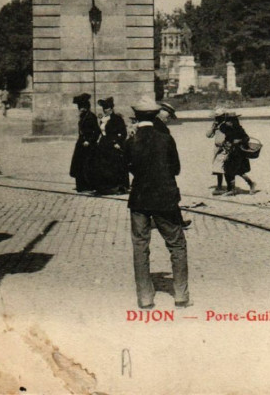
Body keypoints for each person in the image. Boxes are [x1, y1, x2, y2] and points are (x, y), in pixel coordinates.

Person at [125, 96, 191, 309]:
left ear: (136, 116)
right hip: (165, 198)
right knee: (177, 244)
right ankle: (181, 296)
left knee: (140, 246)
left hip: (139, 199)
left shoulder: (131, 141)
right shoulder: (165, 139)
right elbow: (176, 169)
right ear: (155, 115)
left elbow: (128, 167)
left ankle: (145, 298)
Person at [216, 109, 256, 196]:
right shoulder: (225, 127)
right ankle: (231, 189)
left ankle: (250, 184)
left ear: (234, 120)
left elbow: (246, 138)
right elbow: (222, 131)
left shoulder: (239, 129)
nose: (228, 122)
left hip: (238, 153)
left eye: (230, 120)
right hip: (230, 151)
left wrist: (239, 140)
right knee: (228, 170)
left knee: (238, 171)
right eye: (227, 120)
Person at [93, 97, 129, 195]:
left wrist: (118, 142)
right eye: (104, 108)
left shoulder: (117, 119)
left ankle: (117, 187)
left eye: (107, 108)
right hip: (103, 144)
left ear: (112, 108)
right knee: (102, 165)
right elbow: (101, 132)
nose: (105, 110)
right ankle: (104, 187)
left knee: (113, 165)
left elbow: (123, 132)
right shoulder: (103, 119)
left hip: (113, 145)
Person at [69, 93, 100, 193]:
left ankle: (89, 186)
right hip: (81, 144)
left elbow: (97, 131)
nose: (80, 109)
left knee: (88, 165)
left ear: (87, 107)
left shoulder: (91, 117)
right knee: (78, 164)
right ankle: (80, 186)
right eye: (79, 107)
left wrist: (89, 141)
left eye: (82, 107)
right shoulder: (83, 116)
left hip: (89, 145)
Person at [206, 107, 229, 194]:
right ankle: (220, 186)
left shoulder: (227, 124)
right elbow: (208, 135)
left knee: (223, 167)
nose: (216, 119)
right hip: (217, 149)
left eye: (218, 117)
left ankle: (227, 187)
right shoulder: (216, 125)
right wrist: (213, 127)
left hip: (225, 148)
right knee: (218, 167)